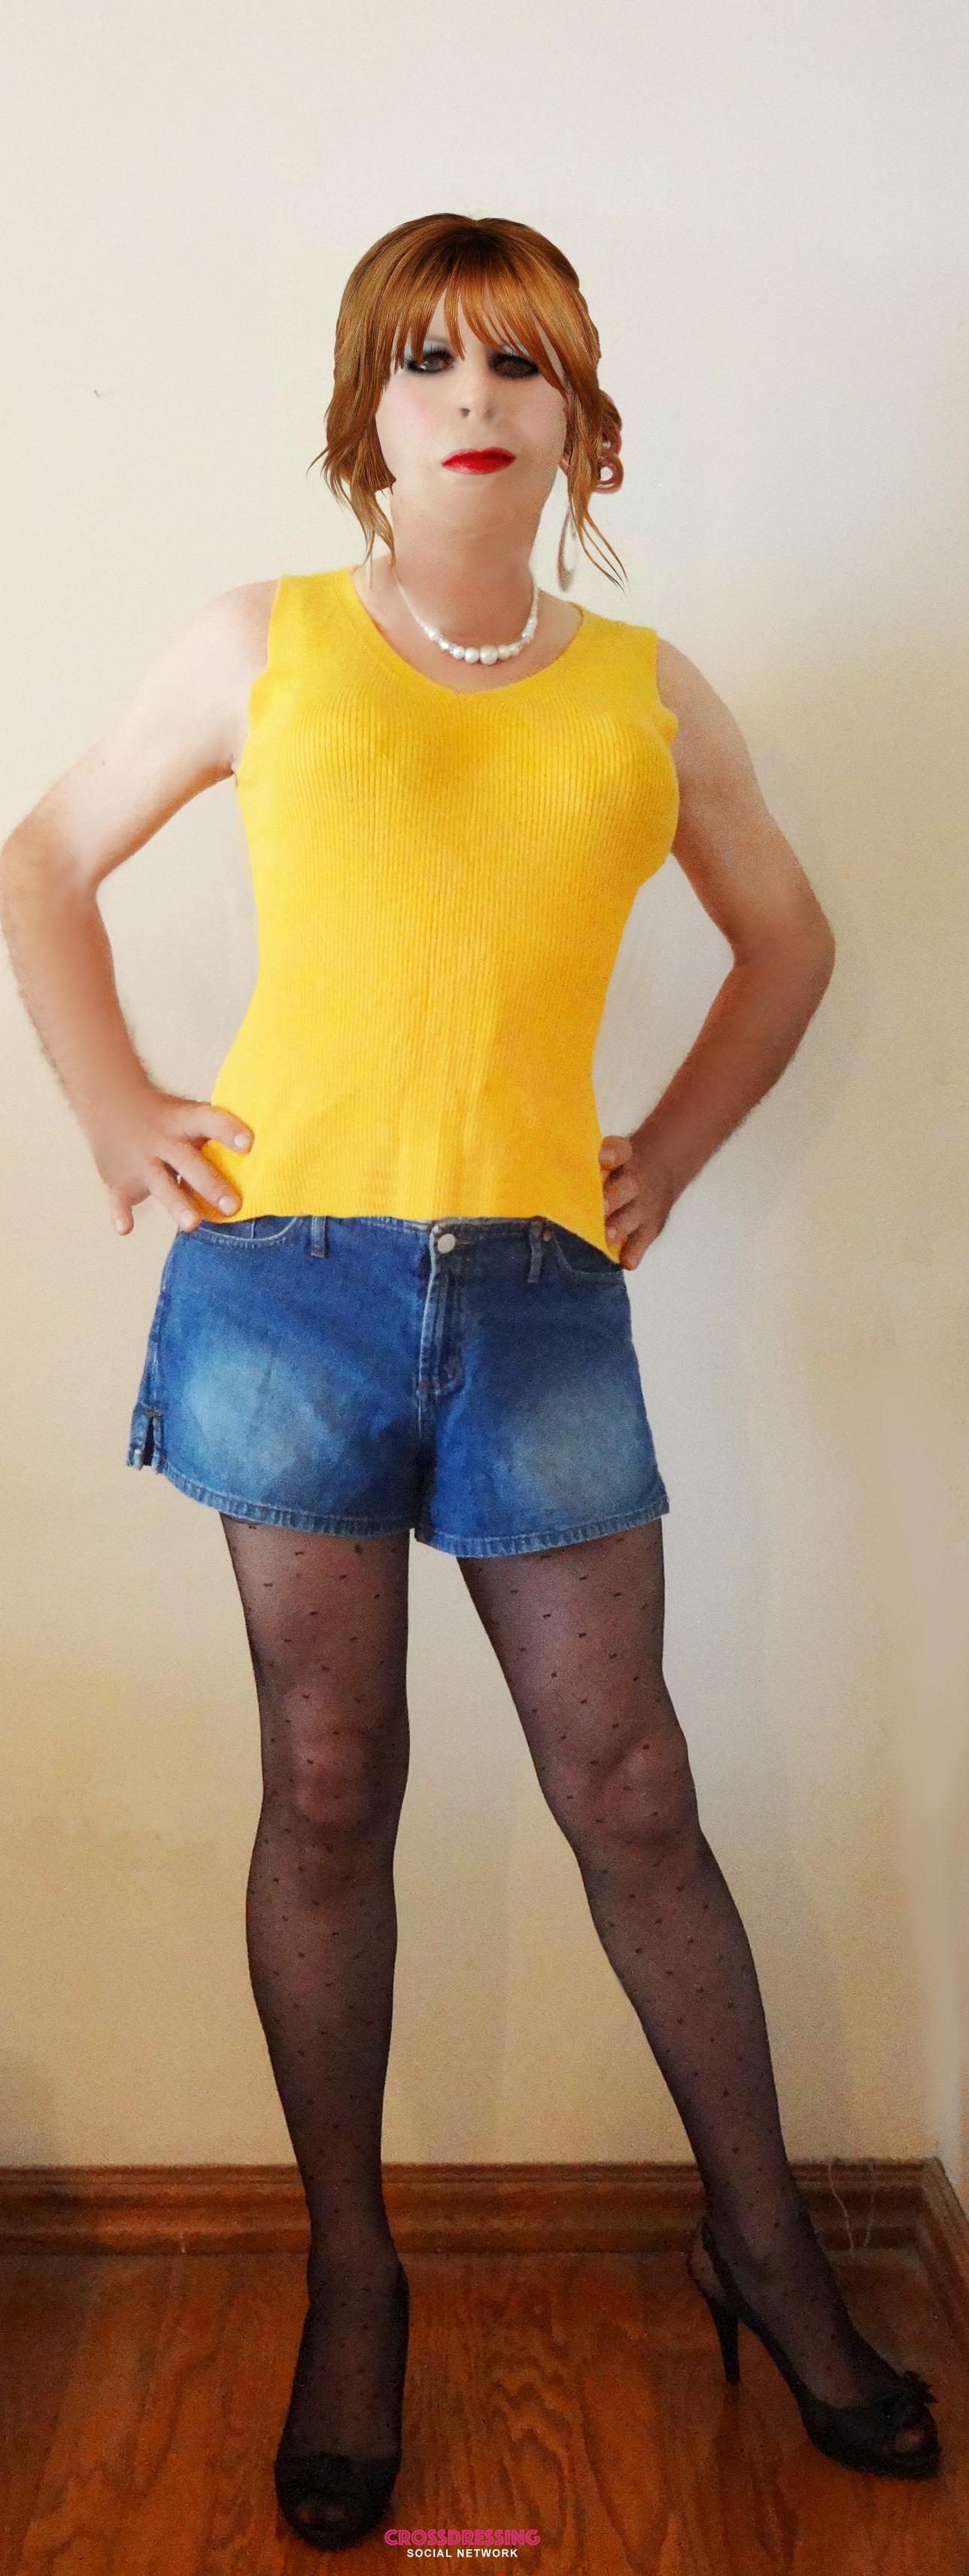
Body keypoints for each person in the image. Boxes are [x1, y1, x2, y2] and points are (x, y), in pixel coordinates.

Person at [0, 211, 939, 2548]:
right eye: (427, 359)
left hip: (534, 1299)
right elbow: (43, 857)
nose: (475, 395)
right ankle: (354, 2277)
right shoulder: (263, 643)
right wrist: (113, 1104)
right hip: (284, 1289)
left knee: (632, 1786)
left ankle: (765, 2249)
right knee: (329, 1786)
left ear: (582, 417)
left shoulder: (645, 693)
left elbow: (791, 943)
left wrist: (669, 1158)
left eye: (520, 360)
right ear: (368, 413)